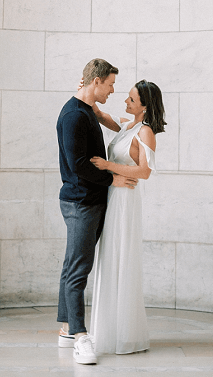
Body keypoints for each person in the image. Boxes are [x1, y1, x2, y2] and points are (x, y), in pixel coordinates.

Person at [56, 58, 138, 365]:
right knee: (79, 269)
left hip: (87, 201)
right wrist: (113, 178)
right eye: (110, 84)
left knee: (73, 264)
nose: (113, 90)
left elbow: (108, 120)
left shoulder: (85, 110)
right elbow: (79, 166)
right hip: (80, 202)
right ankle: (80, 336)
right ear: (96, 82)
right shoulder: (73, 117)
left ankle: (66, 328)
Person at [89, 79, 166, 354]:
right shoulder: (126, 126)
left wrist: (109, 166)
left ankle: (125, 332)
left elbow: (145, 172)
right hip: (113, 195)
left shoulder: (145, 132)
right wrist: (87, 88)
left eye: (131, 100)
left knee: (122, 255)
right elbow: (100, 115)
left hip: (125, 201)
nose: (125, 102)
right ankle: (108, 330)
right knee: (109, 256)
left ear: (144, 106)